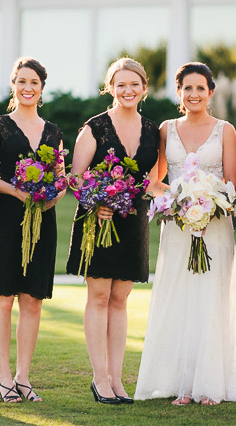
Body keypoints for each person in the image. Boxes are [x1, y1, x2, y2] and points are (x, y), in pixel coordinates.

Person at [135, 62, 236, 405]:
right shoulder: (166, 129)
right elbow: (154, 179)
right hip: (177, 227)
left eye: (200, 88)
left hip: (214, 228)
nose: (193, 94)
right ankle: (185, 385)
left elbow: (233, 183)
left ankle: (210, 384)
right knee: (179, 299)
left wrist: (209, 204)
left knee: (210, 301)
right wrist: (175, 201)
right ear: (179, 93)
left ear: (210, 92)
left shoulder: (225, 130)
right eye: (187, 88)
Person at [66, 57, 160, 405]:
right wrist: (95, 201)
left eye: (134, 84)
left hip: (134, 220)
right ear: (110, 88)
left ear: (144, 88)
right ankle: (100, 379)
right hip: (99, 220)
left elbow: (154, 177)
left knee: (121, 299)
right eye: (120, 84)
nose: (127, 90)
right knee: (100, 297)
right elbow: (75, 177)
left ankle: (118, 380)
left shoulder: (152, 130)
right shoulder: (94, 127)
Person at [0, 57, 65, 403]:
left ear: (42, 89)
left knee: (33, 300)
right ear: (14, 85)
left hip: (42, 220)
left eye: (35, 83)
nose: (28, 88)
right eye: (22, 81)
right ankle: (3, 378)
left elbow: (59, 179)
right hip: (4, 219)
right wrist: (15, 190)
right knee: (3, 298)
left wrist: (52, 196)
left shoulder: (53, 131)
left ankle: (24, 378)